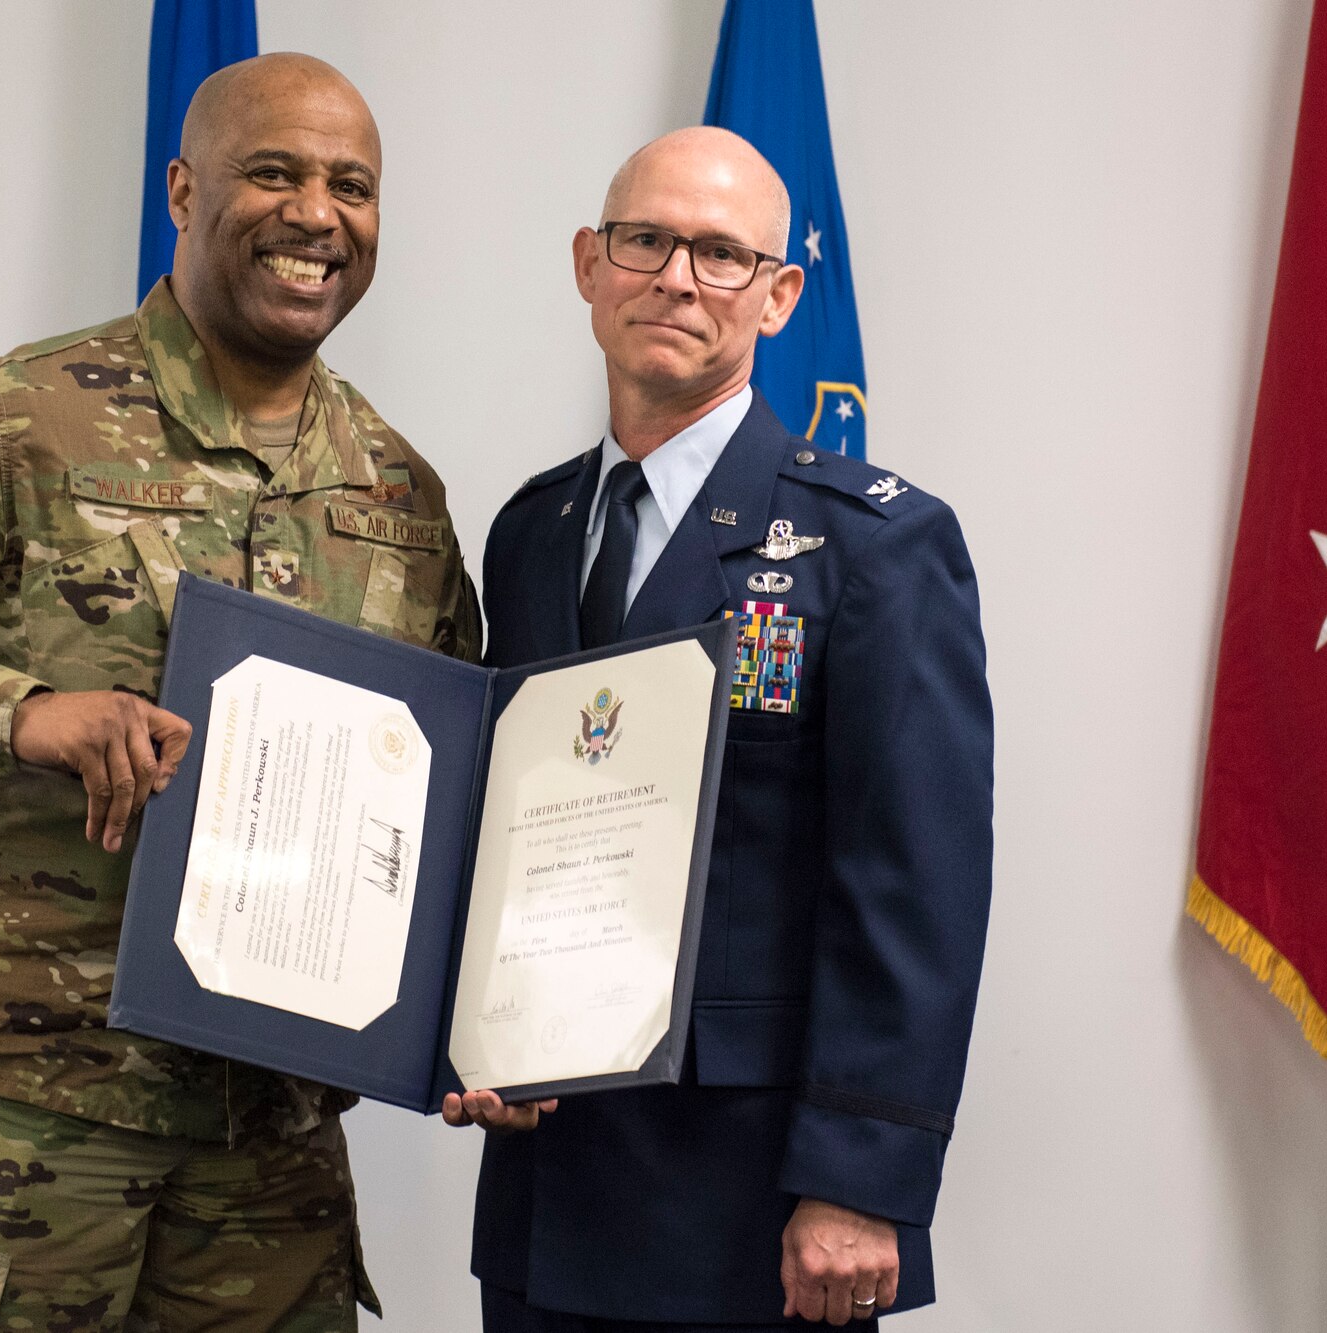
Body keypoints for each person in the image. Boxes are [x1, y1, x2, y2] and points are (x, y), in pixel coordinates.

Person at [0, 53, 479, 1333]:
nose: (316, 213)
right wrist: (14, 709)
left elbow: (452, 799)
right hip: (22, 1106)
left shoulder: (399, 499)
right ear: (182, 191)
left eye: (350, 186)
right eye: (273, 172)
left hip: (271, 1136)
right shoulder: (18, 423)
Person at [446, 127, 992, 1329]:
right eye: (644, 241)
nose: (676, 278)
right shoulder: (530, 532)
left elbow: (911, 888)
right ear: (589, 265)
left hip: (750, 1209)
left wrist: (856, 1184)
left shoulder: (872, 547)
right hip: (545, 1189)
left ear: (779, 294)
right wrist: (463, 1033)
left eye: (720, 254)